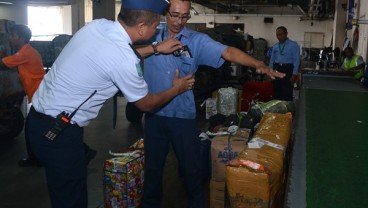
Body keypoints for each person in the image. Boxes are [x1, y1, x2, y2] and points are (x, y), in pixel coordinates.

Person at [27, 0, 194, 207]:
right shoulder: (124, 60)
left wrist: (155, 48)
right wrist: (177, 88)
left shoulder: (98, 26)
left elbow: (113, 55)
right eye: (155, 25)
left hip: (37, 122)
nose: (156, 29)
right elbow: (146, 103)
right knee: (71, 199)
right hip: (59, 133)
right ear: (142, 28)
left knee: (62, 191)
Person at [134, 0, 285, 207]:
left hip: (183, 118)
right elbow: (125, 51)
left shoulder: (196, 41)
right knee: (152, 172)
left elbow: (228, 52)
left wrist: (258, 63)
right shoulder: (150, 34)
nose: (179, 21)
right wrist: (156, 48)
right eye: (175, 15)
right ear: (165, 13)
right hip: (154, 115)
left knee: (191, 172)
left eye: (185, 16)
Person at [0, 24, 45, 167]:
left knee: (33, 128)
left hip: (42, 96)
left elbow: (3, 64)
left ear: (21, 38)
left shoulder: (24, 53)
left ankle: (35, 159)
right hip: (42, 94)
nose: (10, 38)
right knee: (46, 126)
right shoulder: (27, 51)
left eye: (13, 35)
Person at [269, 26, 300, 101]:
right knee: (276, 91)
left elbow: (297, 60)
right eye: (277, 35)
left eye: (281, 34)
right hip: (277, 68)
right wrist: (269, 72)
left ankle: (287, 111)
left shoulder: (294, 45)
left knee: (287, 92)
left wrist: (294, 74)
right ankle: (276, 110)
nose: (279, 36)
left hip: (288, 69)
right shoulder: (275, 46)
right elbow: (272, 60)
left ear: (286, 34)